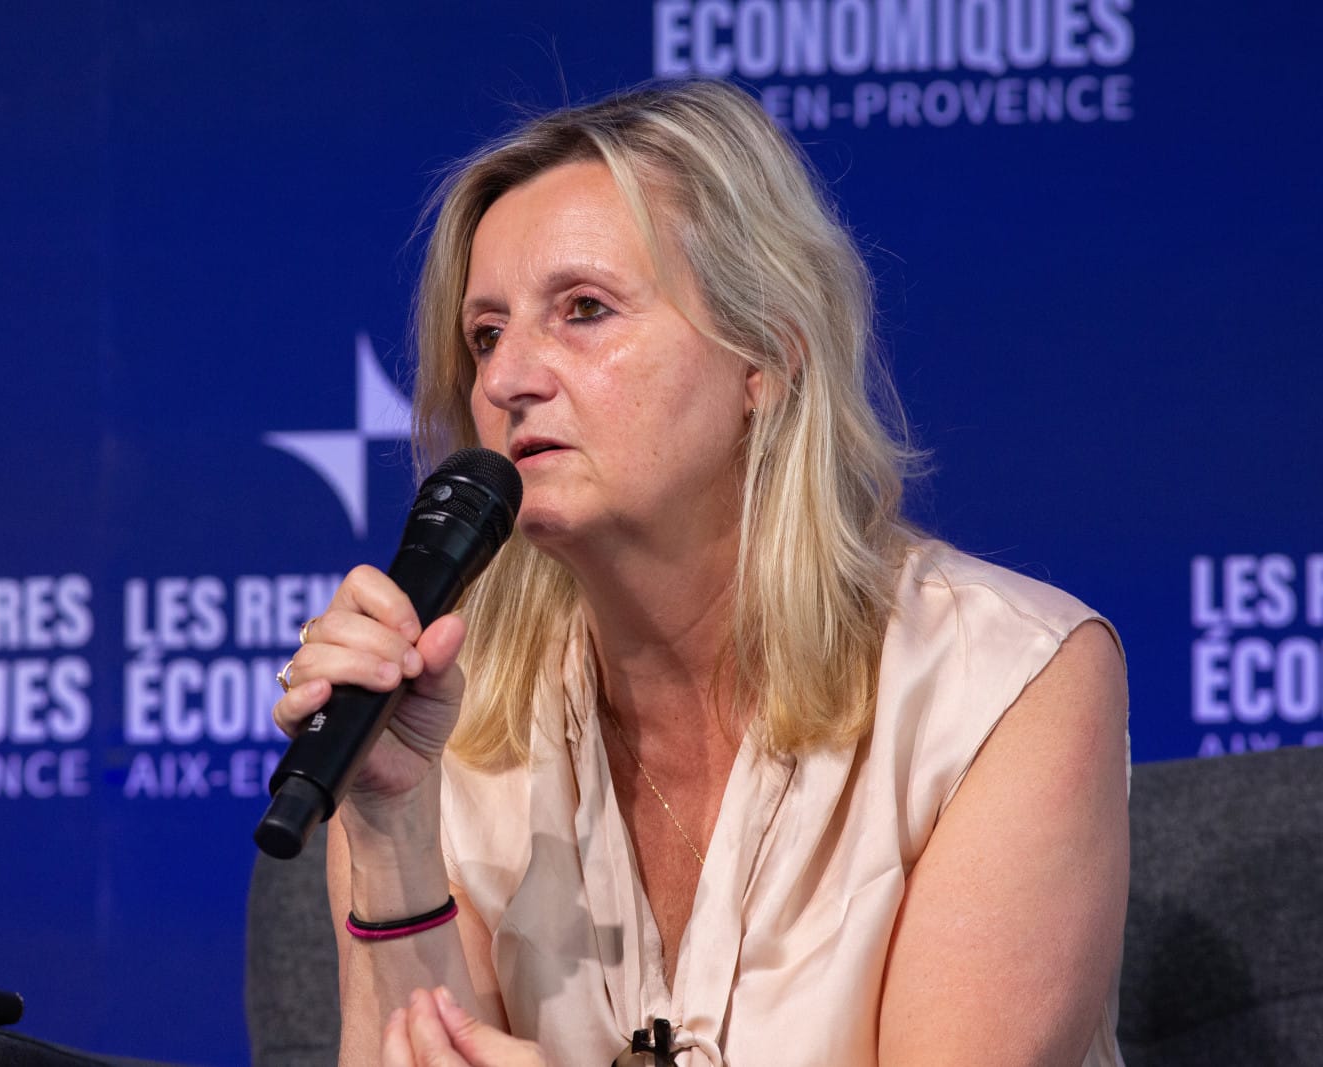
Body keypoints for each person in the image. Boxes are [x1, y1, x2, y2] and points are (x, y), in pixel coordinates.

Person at [272, 79, 1129, 1066]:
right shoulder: (440, 727)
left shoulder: (1004, 684)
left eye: (583, 310)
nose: (506, 379)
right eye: (486, 335)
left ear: (765, 355)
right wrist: (389, 824)